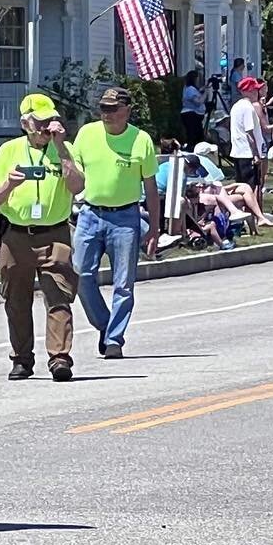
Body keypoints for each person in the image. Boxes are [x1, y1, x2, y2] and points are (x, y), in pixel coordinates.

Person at [0, 94, 84, 383]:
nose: (47, 127)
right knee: (16, 300)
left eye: (51, 121)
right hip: (16, 235)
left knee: (59, 296)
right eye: (41, 122)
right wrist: (10, 183)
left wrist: (61, 150)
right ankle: (21, 359)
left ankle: (60, 358)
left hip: (55, 233)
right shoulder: (8, 150)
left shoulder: (64, 149)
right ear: (25, 123)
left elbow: (77, 186)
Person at [70, 87, 160, 360]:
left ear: (127, 110)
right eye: (103, 109)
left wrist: (154, 228)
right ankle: (105, 325)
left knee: (123, 284)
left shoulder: (140, 140)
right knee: (82, 276)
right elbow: (73, 173)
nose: (106, 114)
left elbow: (152, 188)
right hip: (90, 214)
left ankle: (113, 339)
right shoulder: (87, 133)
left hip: (125, 218)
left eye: (112, 109)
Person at [230, 75, 271, 205]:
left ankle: (243, 212)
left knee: (241, 186)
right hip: (248, 153)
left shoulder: (236, 106)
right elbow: (249, 133)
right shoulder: (248, 107)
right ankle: (254, 214)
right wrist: (256, 155)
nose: (256, 93)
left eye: (256, 90)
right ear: (245, 92)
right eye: (253, 90)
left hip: (238, 151)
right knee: (251, 187)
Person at [180, 70, 209, 147]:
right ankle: (191, 149)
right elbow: (198, 102)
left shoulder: (190, 89)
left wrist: (202, 89)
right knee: (194, 136)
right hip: (191, 115)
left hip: (193, 114)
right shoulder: (190, 89)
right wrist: (206, 92)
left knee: (195, 135)